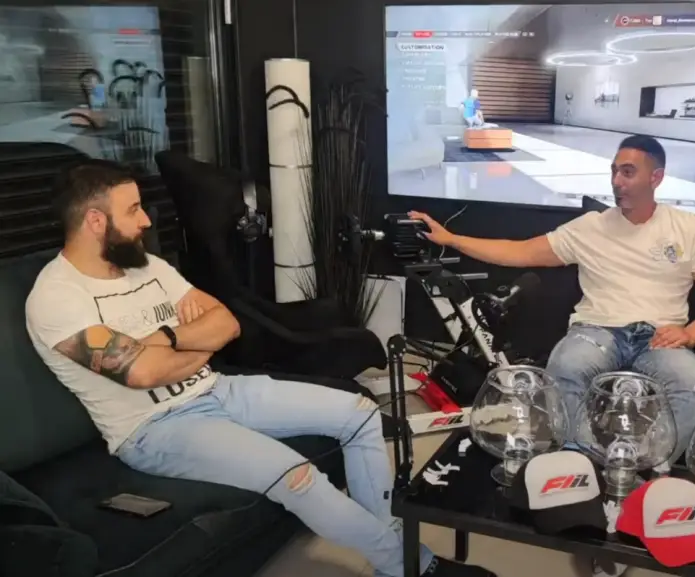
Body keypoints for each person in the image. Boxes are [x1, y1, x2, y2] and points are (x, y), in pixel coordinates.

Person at [25, 159, 494, 577]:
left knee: (361, 413)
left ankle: (394, 561)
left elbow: (226, 323)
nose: (146, 220)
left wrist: (166, 339)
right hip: (153, 428)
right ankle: (417, 567)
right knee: (296, 475)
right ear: (95, 220)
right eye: (133, 210)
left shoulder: (145, 266)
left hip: (216, 389)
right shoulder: (58, 298)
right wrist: (190, 343)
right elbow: (143, 375)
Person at [410, 135, 695, 470]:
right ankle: (580, 463)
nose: (617, 181)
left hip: (660, 337)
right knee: (565, 369)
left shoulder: (686, 228)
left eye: (628, 172)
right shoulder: (590, 227)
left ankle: (647, 468)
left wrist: (691, 333)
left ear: (656, 178)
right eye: (614, 171)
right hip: (597, 331)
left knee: (693, 384)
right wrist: (451, 239)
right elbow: (520, 251)